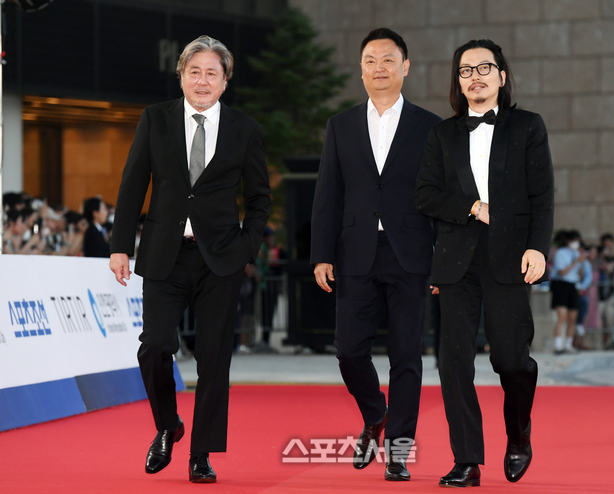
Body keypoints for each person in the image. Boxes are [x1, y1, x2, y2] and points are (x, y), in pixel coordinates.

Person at [109, 35, 271, 484]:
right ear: (181, 75)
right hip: (165, 254)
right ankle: (168, 425)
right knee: (155, 346)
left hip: (221, 259)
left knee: (214, 360)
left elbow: (260, 198)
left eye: (211, 73)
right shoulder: (155, 118)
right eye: (194, 71)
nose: (202, 80)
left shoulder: (244, 128)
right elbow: (132, 184)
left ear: (225, 81)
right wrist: (120, 245)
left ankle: (201, 453)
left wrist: (246, 248)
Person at [414, 39, 554, 486]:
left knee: (511, 360)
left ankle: (519, 433)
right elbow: (424, 195)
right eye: (465, 71)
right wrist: (473, 207)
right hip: (456, 263)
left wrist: (538, 247)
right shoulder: (443, 134)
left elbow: (542, 194)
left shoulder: (528, 126)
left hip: (510, 259)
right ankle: (467, 460)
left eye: (483, 68)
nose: (474, 77)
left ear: (501, 75)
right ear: (457, 82)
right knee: (453, 364)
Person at [310, 28, 441, 482]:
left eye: (388, 59)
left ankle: (399, 450)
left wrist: (442, 261)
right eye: (370, 60)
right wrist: (321, 254)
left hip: (411, 255)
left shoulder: (430, 127)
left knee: (406, 356)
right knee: (349, 351)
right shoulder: (340, 125)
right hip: (355, 254)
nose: (379, 67)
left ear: (405, 67)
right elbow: (328, 193)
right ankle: (375, 414)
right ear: (361, 69)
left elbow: (439, 197)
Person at [550, 230, 586, 354]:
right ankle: (558, 345)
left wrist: (581, 263)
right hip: (561, 285)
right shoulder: (561, 253)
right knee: (562, 317)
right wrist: (576, 262)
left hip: (573, 285)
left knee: (572, 318)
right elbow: (562, 272)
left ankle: (568, 345)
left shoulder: (577, 253)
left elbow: (580, 274)